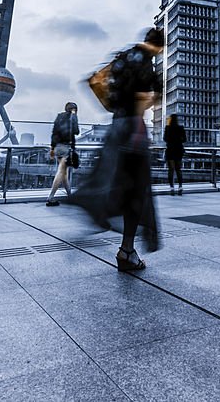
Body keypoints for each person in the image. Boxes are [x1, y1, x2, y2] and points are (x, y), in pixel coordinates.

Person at [73, 27, 164, 271]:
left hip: (116, 127)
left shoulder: (123, 57)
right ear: (159, 47)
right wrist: (142, 113)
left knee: (112, 180)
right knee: (136, 192)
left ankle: (98, 215)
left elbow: (94, 81)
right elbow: (144, 97)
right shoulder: (146, 63)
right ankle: (126, 250)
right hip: (133, 129)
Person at [46, 102, 79, 206]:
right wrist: (74, 118)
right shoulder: (73, 117)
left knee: (64, 174)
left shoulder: (59, 117)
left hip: (57, 147)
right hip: (66, 148)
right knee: (61, 172)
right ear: (74, 109)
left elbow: (54, 132)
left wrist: (52, 148)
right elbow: (76, 131)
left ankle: (70, 196)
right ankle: (51, 197)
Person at [163, 114, 186, 195]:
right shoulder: (181, 128)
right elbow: (184, 140)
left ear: (170, 119)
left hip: (170, 150)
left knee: (171, 170)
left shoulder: (167, 128)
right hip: (178, 150)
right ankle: (180, 187)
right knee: (178, 169)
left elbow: (165, 139)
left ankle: (172, 188)